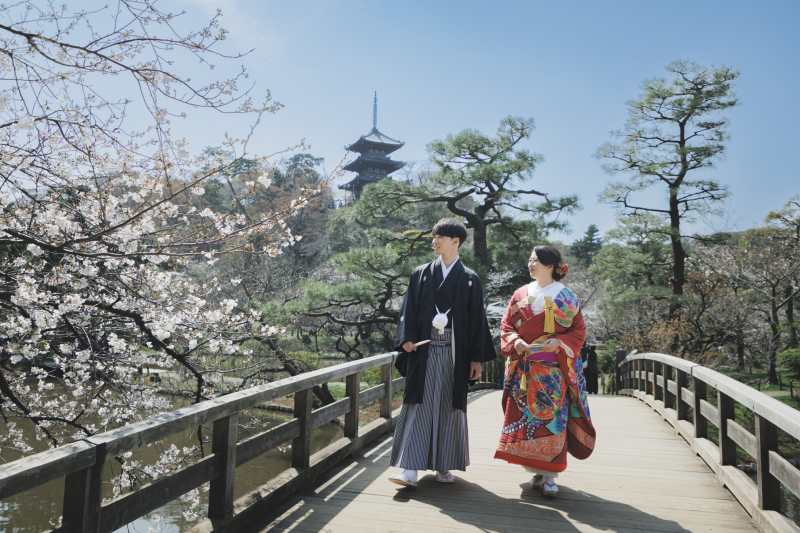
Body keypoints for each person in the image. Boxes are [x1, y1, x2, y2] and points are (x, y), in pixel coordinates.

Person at [389, 218, 497, 487]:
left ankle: (443, 464)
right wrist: (407, 338)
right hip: (423, 351)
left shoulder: (470, 279)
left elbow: (477, 320)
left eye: (440, 237)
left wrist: (476, 358)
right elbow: (408, 309)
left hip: (455, 354)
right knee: (419, 405)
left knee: (450, 407)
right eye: (434, 236)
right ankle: (410, 469)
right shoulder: (421, 274)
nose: (434, 241)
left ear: (455, 241)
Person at [494, 246, 596, 497]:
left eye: (536, 261)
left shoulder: (566, 296)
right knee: (526, 420)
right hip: (524, 370)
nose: (530, 264)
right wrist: (515, 339)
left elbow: (578, 332)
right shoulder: (520, 293)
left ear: (550, 266)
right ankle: (536, 470)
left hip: (552, 373)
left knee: (552, 420)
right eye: (530, 260)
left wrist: (559, 342)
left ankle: (551, 475)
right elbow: (506, 325)